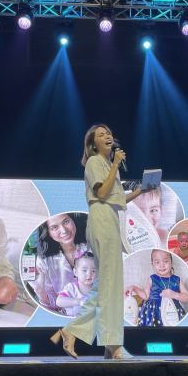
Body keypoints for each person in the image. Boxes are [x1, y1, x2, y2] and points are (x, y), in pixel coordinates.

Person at [50, 124, 142, 360]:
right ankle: (113, 345)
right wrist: (115, 163)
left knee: (106, 287)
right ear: (92, 144)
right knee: (110, 286)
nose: (107, 136)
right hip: (101, 221)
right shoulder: (94, 162)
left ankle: (76, 334)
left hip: (110, 219)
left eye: (109, 133)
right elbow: (101, 193)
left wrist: (141, 191)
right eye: (101, 135)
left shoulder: (108, 166)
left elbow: (116, 198)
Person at [29, 213, 88, 313]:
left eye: (66, 222)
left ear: (73, 220)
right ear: (48, 232)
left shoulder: (92, 247)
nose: (64, 230)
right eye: (54, 227)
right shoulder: (44, 261)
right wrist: (40, 291)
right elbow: (53, 306)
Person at [125, 249, 188, 326]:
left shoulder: (176, 280)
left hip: (172, 312)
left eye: (165, 261)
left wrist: (174, 294)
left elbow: (187, 297)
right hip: (153, 313)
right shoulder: (152, 279)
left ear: (171, 262)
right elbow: (145, 296)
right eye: (157, 262)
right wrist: (134, 288)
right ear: (152, 264)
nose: (162, 265)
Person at [56, 251, 96, 317]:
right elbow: (59, 301)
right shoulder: (71, 288)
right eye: (84, 270)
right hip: (70, 320)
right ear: (75, 272)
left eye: (93, 271)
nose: (89, 274)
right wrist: (78, 302)